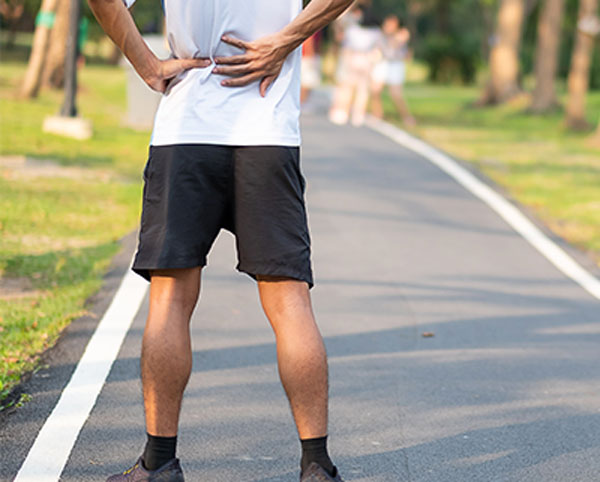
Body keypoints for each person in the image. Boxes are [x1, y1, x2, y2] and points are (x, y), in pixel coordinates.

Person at [86, 0, 355, 480]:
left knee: (169, 300)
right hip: (266, 129)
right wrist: (285, 40)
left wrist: (146, 64)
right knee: (289, 302)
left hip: (186, 127)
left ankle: (159, 463)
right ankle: (316, 466)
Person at [329, 6, 383, 127]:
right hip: (367, 60)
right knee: (363, 89)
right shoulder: (376, 32)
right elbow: (378, 48)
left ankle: (342, 111)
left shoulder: (353, 30)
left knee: (347, 87)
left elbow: (345, 43)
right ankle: (358, 114)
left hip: (353, 58)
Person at [370, 15, 416, 127]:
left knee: (396, 94)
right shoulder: (380, 36)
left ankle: (406, 117)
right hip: (383, 63)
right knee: (375, 90)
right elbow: (378, 49)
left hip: (395, 64)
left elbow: (400, 49)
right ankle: (377, 114)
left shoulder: (402, 35)